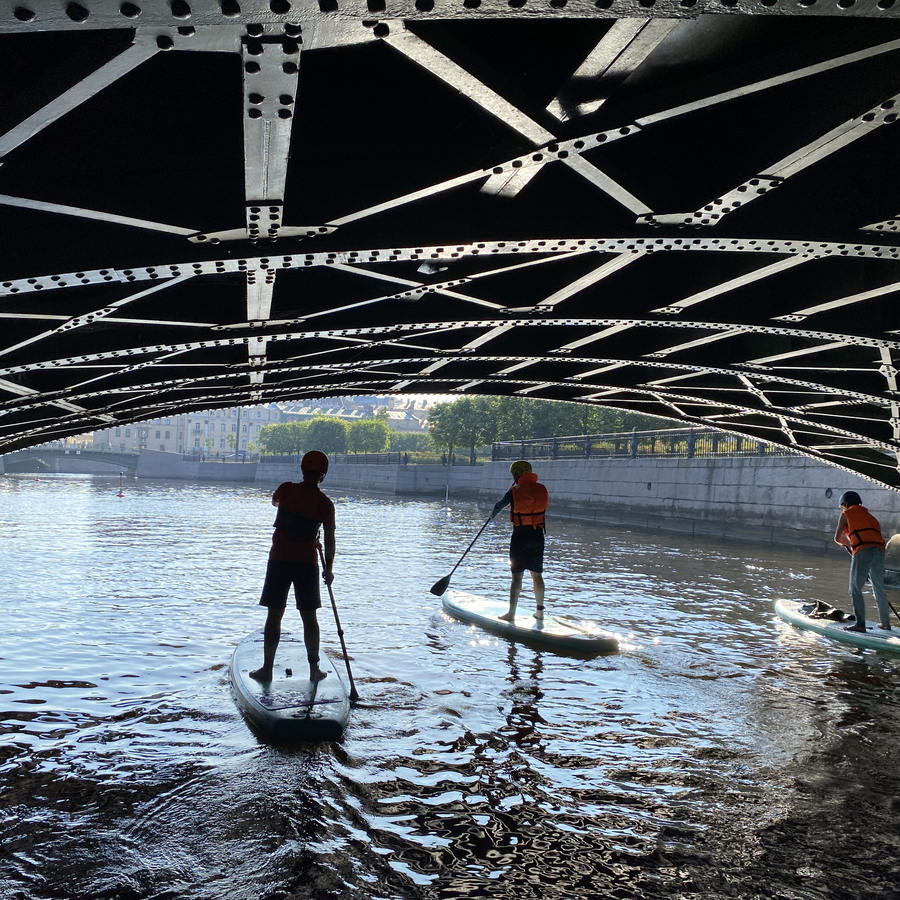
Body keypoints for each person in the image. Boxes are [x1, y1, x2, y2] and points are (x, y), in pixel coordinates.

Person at [250, 450, 336, 683]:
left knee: (274, 615)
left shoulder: (286, 489)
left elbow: (274, 501)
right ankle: (313, 671)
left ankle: (267, 669)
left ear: (302, 470)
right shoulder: (325, 504)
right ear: (323, 476)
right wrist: (328, 568)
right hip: (307, 565)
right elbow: (329, 540)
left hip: (279, 561)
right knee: (309, 618)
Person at [491, 460, 549, 622]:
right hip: (538, 535)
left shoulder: (514, 491)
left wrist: (491, 516)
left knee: (517, 576)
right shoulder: (542, 489)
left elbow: (499, 506)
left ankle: (511, 614)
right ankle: (540, 612)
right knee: (537, 575)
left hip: (520, 536)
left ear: (517, 475)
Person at [833, 490, 891, 632]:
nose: (843, 509)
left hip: (862, 550)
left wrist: (846, 545)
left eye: (842, 506)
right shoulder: (871, 517)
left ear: (846, 504)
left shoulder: (846, 514)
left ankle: (860, 624)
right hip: (880, 550)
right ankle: (885, 623)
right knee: (879, 587)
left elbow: (837, 538)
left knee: (855, 588)